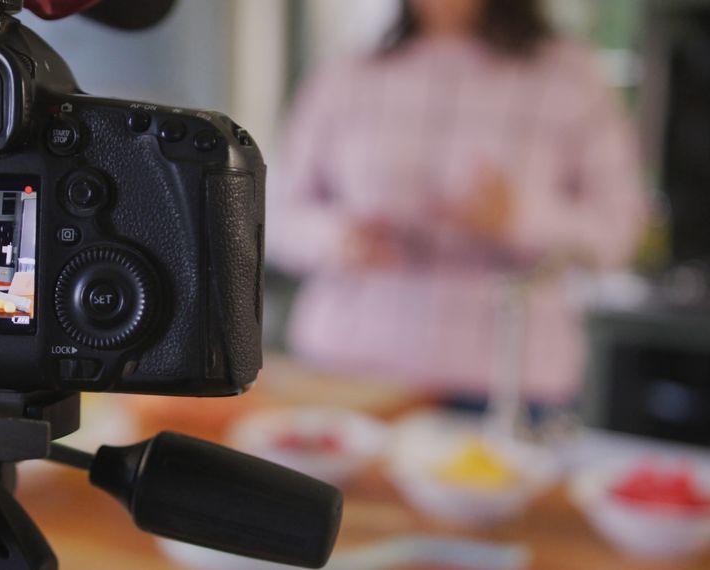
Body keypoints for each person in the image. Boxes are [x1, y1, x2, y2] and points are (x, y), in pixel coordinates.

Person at [268, 0, 650, 403]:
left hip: (507, 383)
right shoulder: (346, 73)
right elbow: (275, 219)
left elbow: (621, 234)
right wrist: (338, 237)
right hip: (348, 370)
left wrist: (520, 217)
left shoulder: (569, 76)